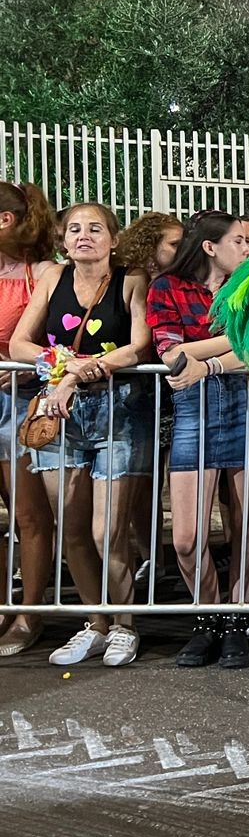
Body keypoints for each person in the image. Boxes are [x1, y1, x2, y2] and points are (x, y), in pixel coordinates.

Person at [9, 202, 154, 669]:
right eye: (74, 229)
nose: (83, 236)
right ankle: (96, 623)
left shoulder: (130, 279)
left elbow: (139, 344)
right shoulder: (52, 278)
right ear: (62, 239)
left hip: (119, 413)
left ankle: (126, 626)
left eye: (95, 228)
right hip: (59, 413)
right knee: (72, 529)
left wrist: (96, 367)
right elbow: (19, 343)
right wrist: (67, 367)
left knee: (105, 531)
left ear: (113, 238)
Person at [147, 212, 249, 669]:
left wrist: (205, 358)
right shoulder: (167, 288)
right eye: (240, 240)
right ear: (209, 247)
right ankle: (208, 616)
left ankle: (235, 621)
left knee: (246, 525)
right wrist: (223, 348)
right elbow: (169, 354)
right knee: (186, 537)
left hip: (247, 405)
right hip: (194, 412)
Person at [0, 182, 58, 658]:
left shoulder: (42, 274)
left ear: (6, 220)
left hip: (19, 405)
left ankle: (30, 613)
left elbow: (64, 345)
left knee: (29, 516)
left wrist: (27, 368)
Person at [116, 211, 183, 281]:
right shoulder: (127, 281)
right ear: (150, 247)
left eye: (184, 244)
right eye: (175, 244)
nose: (184, 249)